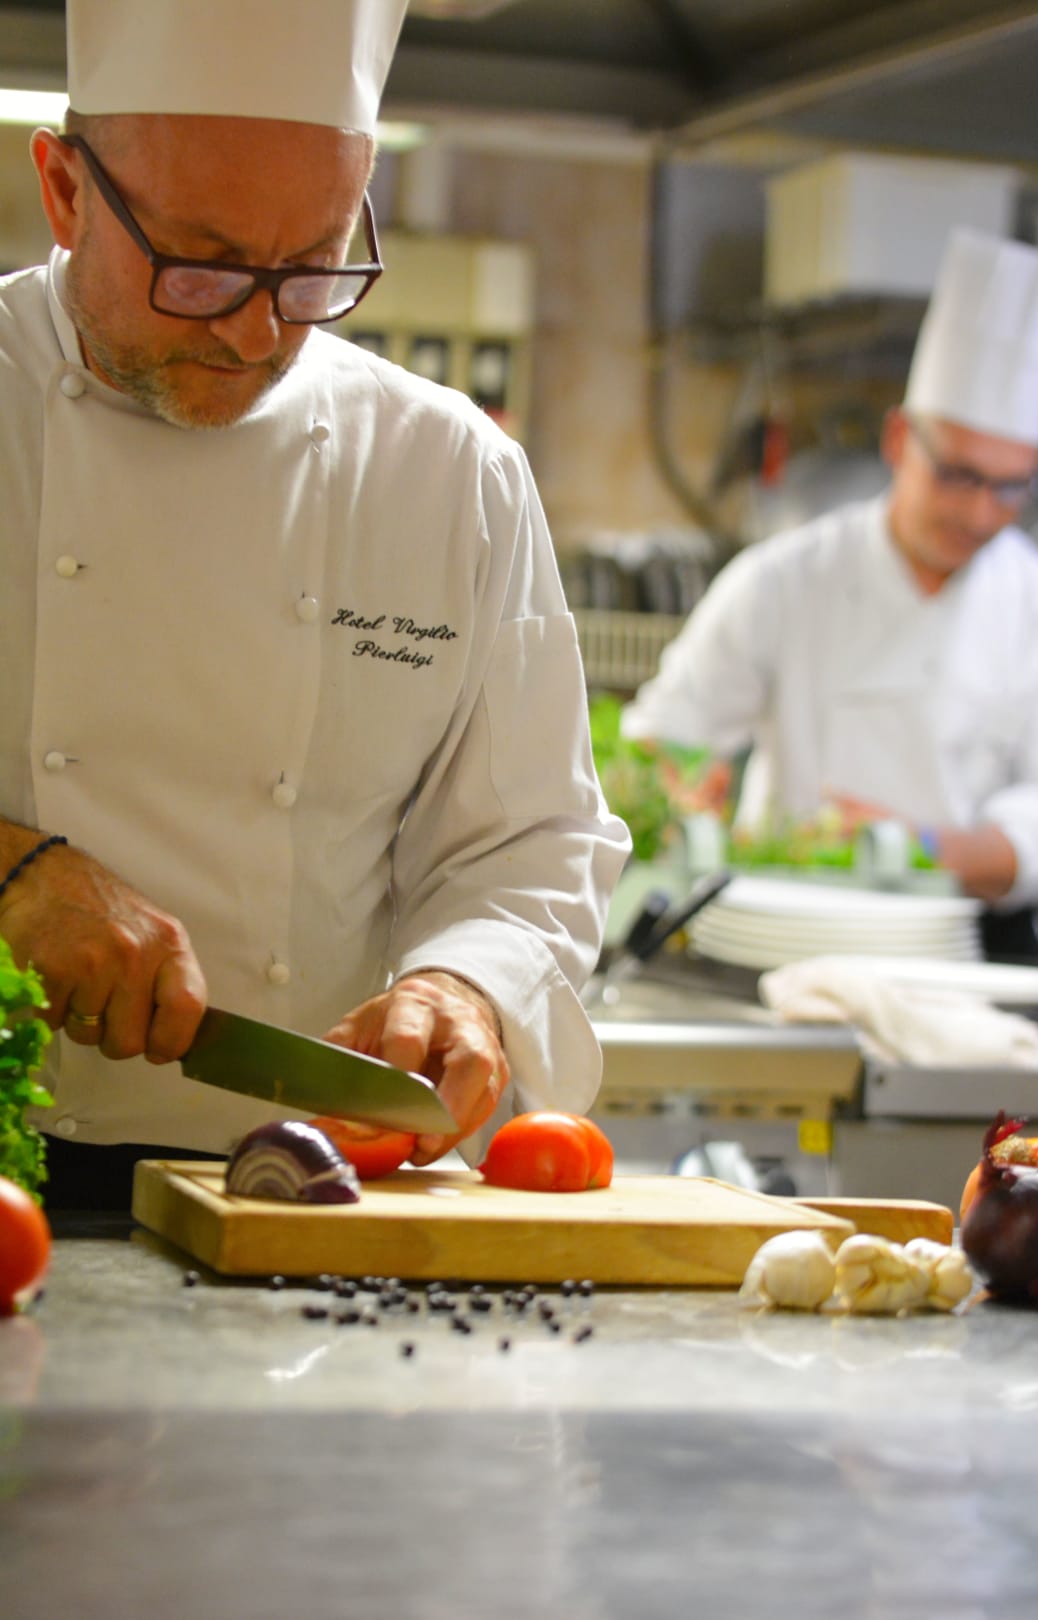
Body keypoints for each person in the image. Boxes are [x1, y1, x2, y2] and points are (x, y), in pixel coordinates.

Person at [0, 0, 630, 1208]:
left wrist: (467, 982)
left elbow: (528, 840)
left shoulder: (447, 473)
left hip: (307, 1194)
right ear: (66, 191)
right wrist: (13, 871)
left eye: (309, 269)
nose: (254, 334)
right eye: (200, 267)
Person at [622, 227, 1038, 957]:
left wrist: (918, 847)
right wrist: (679, 794)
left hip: (962, 954)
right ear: (899, 440)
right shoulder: (784, 580)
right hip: (778, 941)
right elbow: (670, 735)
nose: (978, 512)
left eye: (1009, 487)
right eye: (957, 475)